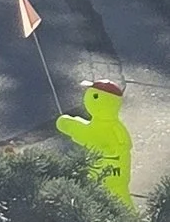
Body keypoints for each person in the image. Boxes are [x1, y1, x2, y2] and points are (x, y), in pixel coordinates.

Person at [55, 75, 136, 210]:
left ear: (97, 99)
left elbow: (82, 132)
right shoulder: (115, 127)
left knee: (108, 200)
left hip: (104, 175)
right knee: (121, 198)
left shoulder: (101, 129)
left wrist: (65, 122)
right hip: (118, 174)